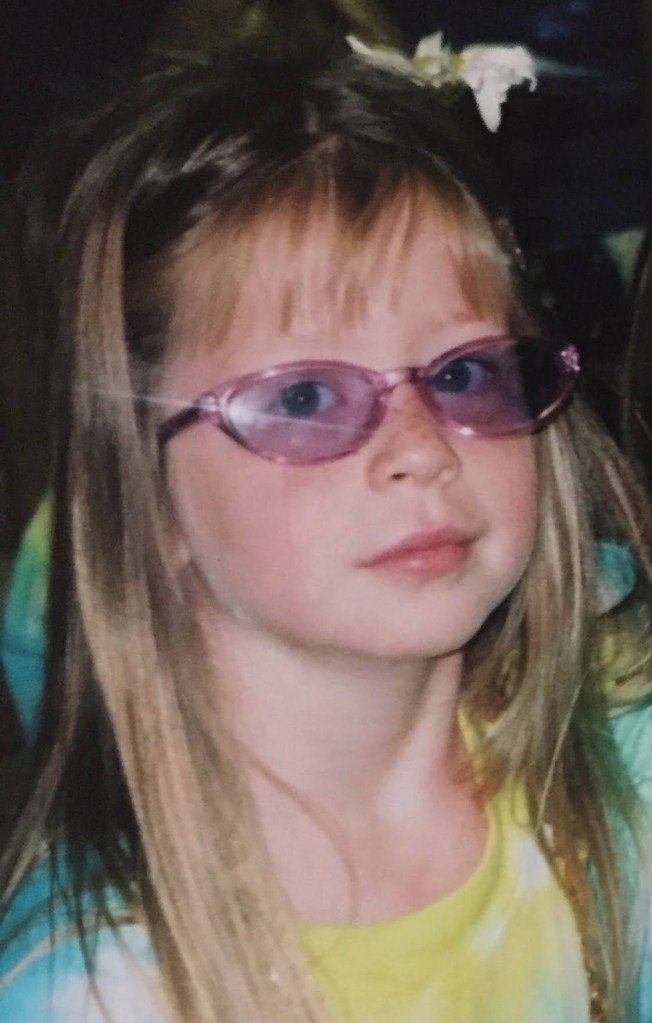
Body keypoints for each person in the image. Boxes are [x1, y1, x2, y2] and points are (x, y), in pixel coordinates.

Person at [1, 49, 652, 1023]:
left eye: (464, 374)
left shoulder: (614, 775)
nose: (420, 451)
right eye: (303, 396)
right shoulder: (100, 993)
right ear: (147, 493)